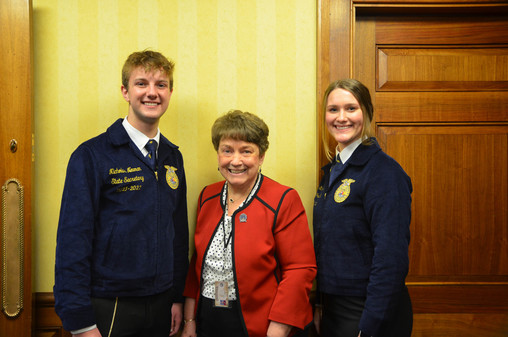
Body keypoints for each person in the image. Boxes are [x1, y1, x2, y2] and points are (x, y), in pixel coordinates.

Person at [54, 50, 189, 337]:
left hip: (163, 303)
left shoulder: (171, 157)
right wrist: (80, 322)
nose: (152, 93)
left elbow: (177, 233)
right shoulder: (92, 156)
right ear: (125, 91)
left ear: (170, 92)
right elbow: (72, 242)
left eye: (161, 85)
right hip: (111, 304)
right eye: (142, 84)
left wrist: (177, 296)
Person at [181, 110, 316, 337]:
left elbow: (299, 270)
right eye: (227, 151)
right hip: (209, 318)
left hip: (262, 324)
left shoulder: (282, 199)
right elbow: (198, 264)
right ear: (218, 154)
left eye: (246, 151)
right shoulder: (208, 196)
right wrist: (190, 320)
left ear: (261, 156)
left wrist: (279, 328)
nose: (236, 161)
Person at [313, 79, 413, 337]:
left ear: (367, 113)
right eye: (333, 109)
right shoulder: (335, 170)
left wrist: (370, 326)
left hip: (369, 311)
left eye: (351, 108)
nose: (341, 117)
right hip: (335, 309)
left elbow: (391, 257)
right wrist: (320, 304)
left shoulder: (384, 173)